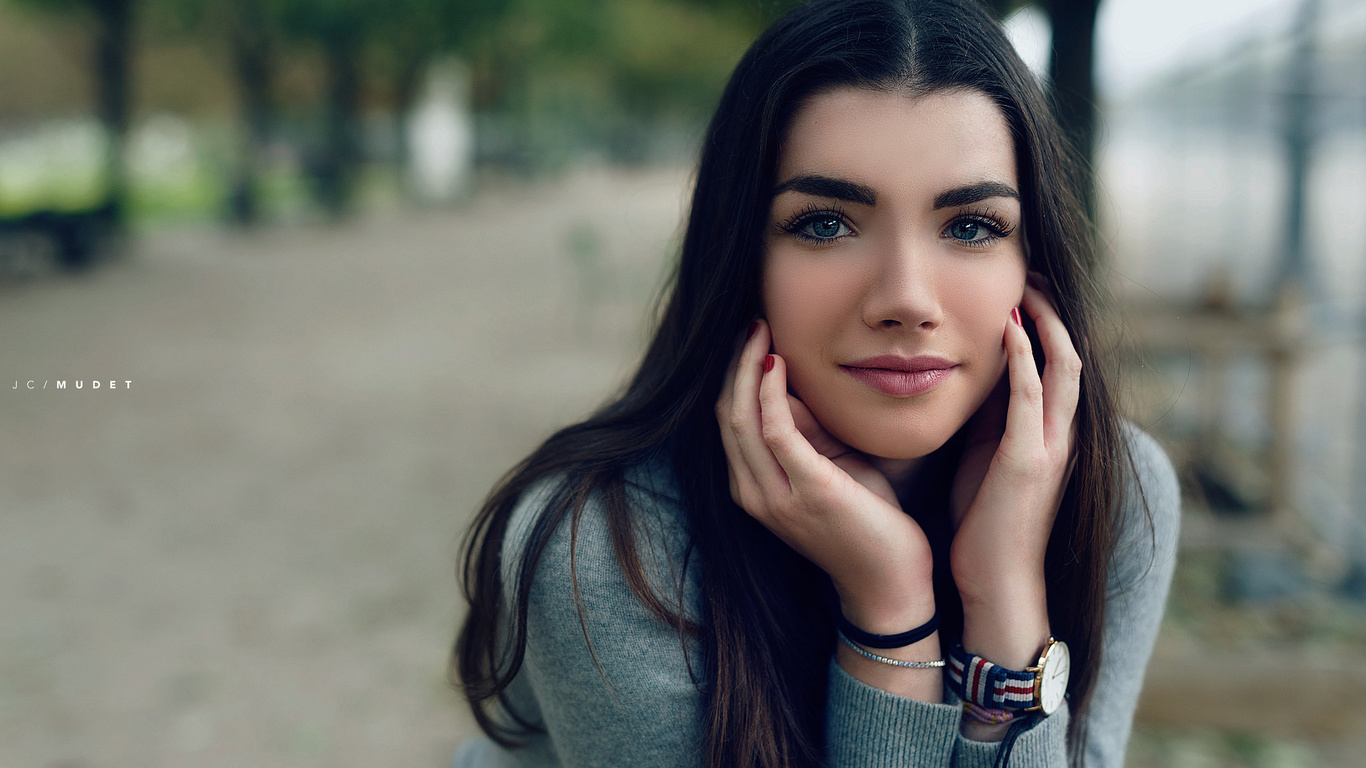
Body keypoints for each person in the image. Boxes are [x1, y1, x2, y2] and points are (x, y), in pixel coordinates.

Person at [450, 0, 1180, 766]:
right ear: (742, 261)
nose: (905, 298)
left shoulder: (1117, 495)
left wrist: (1004, 599)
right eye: (825, 222)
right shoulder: (604, 547)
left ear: (1031, 269)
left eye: (970, 227)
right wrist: (891, 610)